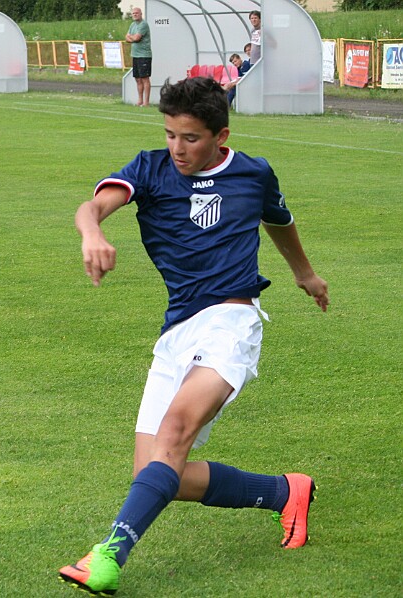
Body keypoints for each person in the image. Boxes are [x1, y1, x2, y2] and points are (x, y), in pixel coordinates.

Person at [58, 76, 329, 596]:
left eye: (190, 138)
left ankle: (108, 554)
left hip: (232, 321)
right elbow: (90, 208)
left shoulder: (253, 173)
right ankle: (283, 492)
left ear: (220, 136)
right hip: (178, 329)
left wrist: (305, 274)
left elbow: (279, 221)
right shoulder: (150, 169)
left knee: (175, 432)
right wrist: (92, 232)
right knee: (160, 474)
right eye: (170, 135)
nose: (177, 148)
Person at [126, 7, 152, 107]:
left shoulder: (143, 24)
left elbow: (137, 38)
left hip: (144, 55)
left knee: (145, 78)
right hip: (135, 55)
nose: (135, 14)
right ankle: (140, 100)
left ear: (141, 14)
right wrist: (132, 38)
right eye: (133, 13)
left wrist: (132, 37)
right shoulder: (132, 25)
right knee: (137, 79)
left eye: (137, 13)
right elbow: (126, 37)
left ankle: (146, 102)